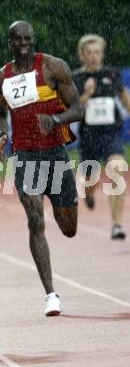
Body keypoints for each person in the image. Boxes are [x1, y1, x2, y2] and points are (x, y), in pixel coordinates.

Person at [0, 21, 83, 316]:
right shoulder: (0, 78)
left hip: (55, 154)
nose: (24, 44)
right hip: (26, 156)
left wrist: (55, 121)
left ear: (34, 40)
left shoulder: (54, 68)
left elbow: (78, 108)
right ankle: (51, 294)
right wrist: (3, 133)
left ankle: (61, 206)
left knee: (68, 227)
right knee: (35, 221)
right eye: (18, 40)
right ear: (10, 43)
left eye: (28, 39)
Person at [73, 34, 130, 240]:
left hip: (111, 133)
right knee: (91, 181)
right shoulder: (76, 78)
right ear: (82, 55)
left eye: (97, 52)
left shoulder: (112, 74)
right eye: (89, 53)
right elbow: (73, 110)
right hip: (89, 137)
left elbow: (124, 98)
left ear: (102, 54)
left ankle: (117, 224)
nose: (94, 57)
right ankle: (88, 194)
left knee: (117, 169)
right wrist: (86, 94)